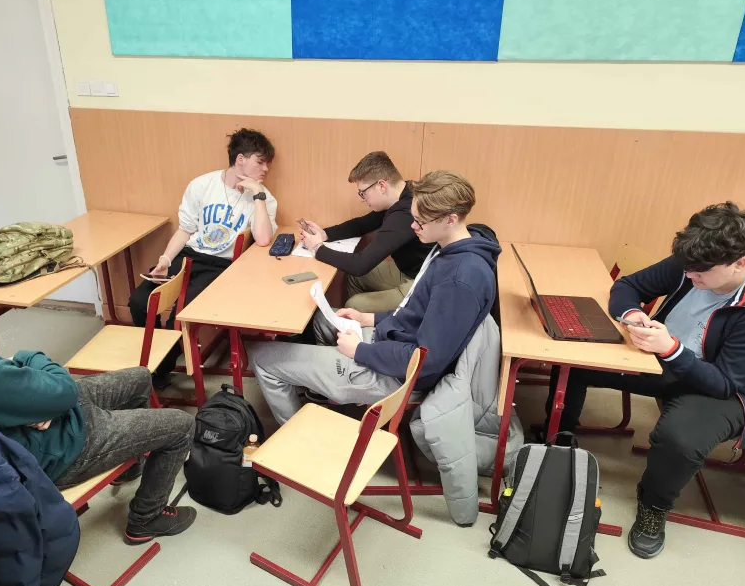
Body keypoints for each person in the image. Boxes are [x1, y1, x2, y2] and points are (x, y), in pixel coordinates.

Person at [0, 243, 197, 544]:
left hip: (30, 430)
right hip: (57, 452)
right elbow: (63, 391)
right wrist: (26, 356)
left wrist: (31, 406)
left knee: (140, 377)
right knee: (181, 425)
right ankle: (146, 518)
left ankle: (131, 463)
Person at [544, 202, 745, 559]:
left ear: (740, 263)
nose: (691, 276)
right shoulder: (693, 261)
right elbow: (628, 286)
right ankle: (558, 442)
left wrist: (670, 349)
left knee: (679, 439)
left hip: (724, 389)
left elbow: (724, 383)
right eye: (687, 268)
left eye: (701, 272)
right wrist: (634, 314)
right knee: (575, 358)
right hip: (665, 358)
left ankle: (654, 505)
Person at [250, 170, 500, 425]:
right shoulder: (450, 248)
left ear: (450, 219)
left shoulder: (459, 279)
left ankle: (297, 436)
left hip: (397, 375)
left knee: (262, 358)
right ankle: (328, 387)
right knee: (320, 320)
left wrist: (361, 352)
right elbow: (418, 314)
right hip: (392, 342)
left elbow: (425, 361)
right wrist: (369, 318)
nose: (413, 227)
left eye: (420, 221)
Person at [129, 128, 278, 385]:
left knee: (180, 316)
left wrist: (258, 194)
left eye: (268, 164)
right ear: (240, 159)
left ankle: (158, 371)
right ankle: (156, 358)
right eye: (260, 161)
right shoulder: (202, 185)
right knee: (139, 302)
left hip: (222, 266)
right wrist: (165, 260)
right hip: (190, 255)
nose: (266, 169)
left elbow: (263, 239)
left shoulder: (264, 198)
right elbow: (185, 230)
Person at [299, 151, 433, 313]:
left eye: (363, 192)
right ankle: (360, 321)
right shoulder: (404, 192)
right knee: (354, 277)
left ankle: (360, 320)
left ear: (381, 186)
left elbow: (360, 265)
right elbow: (363, 224)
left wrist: (317, 248)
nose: (361, 199)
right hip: (410, 270)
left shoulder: (404, 214)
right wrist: (325, 234)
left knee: (355, 304)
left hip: (423, 284)